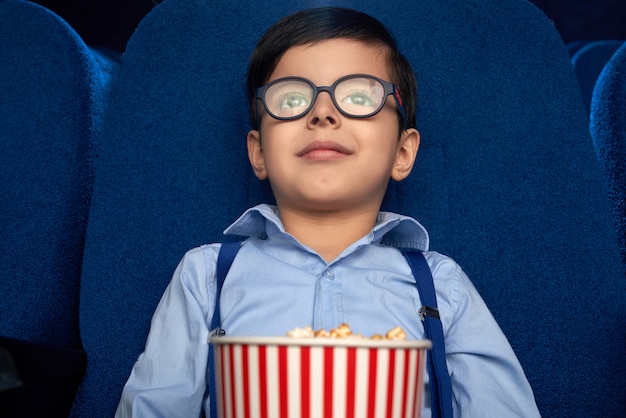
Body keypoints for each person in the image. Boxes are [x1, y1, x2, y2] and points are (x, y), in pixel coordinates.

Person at [115, 7, 541, 417]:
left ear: (403, 152)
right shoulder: (205, 276)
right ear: (259, 152)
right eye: (291, 98)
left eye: (359, 96)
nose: (322, 113)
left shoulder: (441, 285)